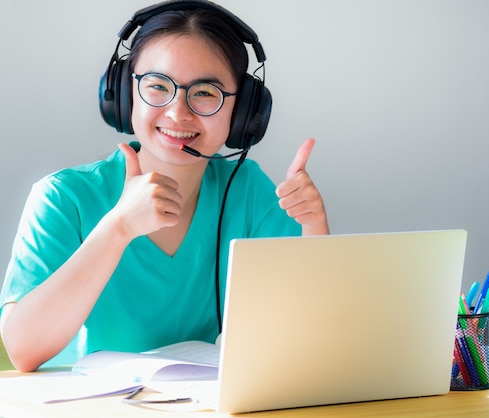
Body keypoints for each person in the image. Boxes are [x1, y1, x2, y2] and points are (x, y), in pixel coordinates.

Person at [0, 1, 329, 372]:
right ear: (124, 93)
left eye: (205, 92)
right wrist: (118, 228)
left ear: (244, 112)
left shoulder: (248, 191)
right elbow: (23, 350)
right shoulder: (64, 198)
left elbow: (313, 336)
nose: (178, 112)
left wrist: (313, 226)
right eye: (158, 86)